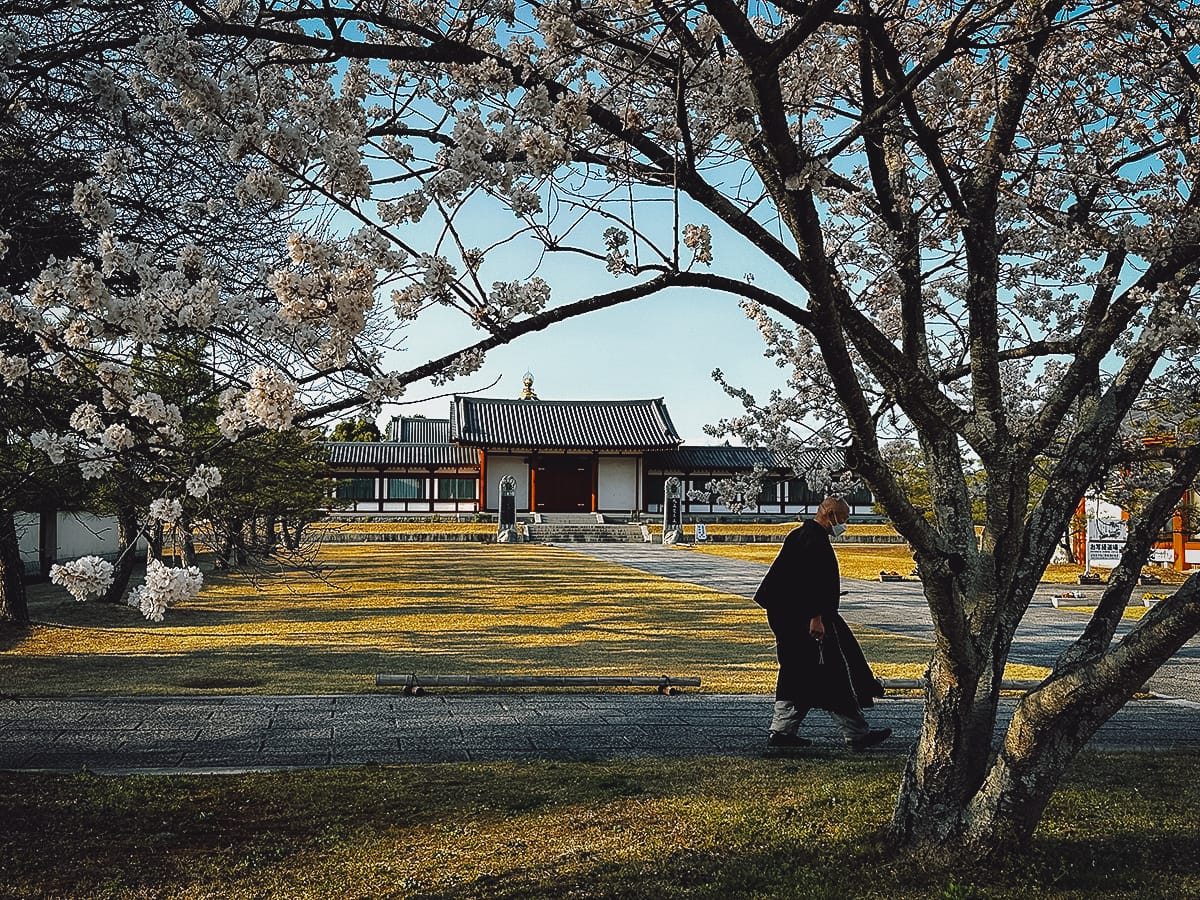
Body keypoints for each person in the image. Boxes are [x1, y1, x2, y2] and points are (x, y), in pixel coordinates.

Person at [754, 496, 891, 753]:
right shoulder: (815, 543)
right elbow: (812, 585)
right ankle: (856, 733)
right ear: (829, 514)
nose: (845, 524)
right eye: (843, 518)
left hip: (787, 617)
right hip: (806, 620)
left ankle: (782, 730)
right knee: (833, 674)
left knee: (796, 672)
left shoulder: (799, 535)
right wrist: (816, 617)